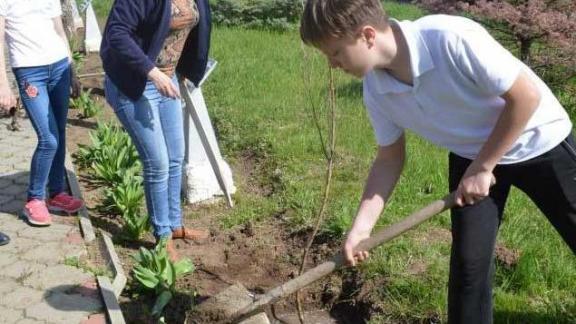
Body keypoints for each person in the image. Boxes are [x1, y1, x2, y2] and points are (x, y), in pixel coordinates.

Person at [300, 0, 576, 322]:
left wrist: (484, 167)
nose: (332, 65)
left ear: (368, 35)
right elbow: (389, 158)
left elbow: (526, 97)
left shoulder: (449, 39)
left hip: (537, 139)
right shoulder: (377, 90)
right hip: (471, 157)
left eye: (335, 53)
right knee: (468, 267)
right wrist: (361, 229)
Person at [101, 0, 212, 260]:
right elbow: (117, 33)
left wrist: (183, 69)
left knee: (175, 157)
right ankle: (162, 236)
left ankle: (174, 225)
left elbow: (197, 28)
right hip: (135, 83)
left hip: (168, 79)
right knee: (158, 163)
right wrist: (153, 72)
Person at [0, 0, 84, 227]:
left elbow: (58, 28)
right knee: (49, 139)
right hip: (29, 71)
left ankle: (56, 194)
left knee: (60, 132)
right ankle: (35, 199)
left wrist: (71, 66)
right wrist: (3, 85)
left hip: (59, 66)